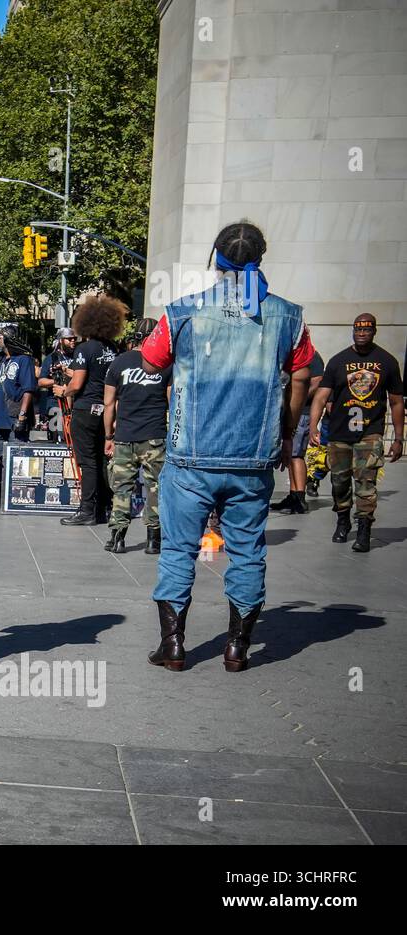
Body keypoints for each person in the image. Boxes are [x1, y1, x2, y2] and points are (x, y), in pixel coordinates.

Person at [141, 221, 314, 673]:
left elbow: (151, 359)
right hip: (252, 458)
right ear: (260, 259)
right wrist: (284, 432)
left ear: (216, 261)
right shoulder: (289, 316)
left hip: (190, 457)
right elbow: (301, 377)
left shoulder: (181, 313)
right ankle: (238, 647)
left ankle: (174, 646)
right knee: (248, 551)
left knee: (179, 551)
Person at [309, 313, 404, 552]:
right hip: (340, 433)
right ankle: (343, 519)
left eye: (367, 330)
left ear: (374, 331)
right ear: (353, 331)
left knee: (366, 482)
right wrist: (313, 426)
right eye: (358, 329)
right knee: (339, 482)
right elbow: (321, 395)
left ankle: (364, 528)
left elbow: (395, 402)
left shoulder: (387, 361)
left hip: (370, 433)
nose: (362, 333)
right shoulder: (338, 361)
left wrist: (399, 438)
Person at [55, 295, 125, 525]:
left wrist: (63, 391)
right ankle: (104, 508)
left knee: (87, 462)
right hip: (106, 410)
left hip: (85, 410)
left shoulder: (85, 348)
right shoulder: (114, 349)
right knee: (102, 460)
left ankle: (87, 511)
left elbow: (77, 384)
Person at [102, 317, 169, 554]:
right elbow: (172, 400)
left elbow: (109, 403)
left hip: (124, 436)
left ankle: (118, 538)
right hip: (155, 436)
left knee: (121, 488)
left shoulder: (119, 363)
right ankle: (154, 540)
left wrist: (108, 436)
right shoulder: (165, 363)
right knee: (155, 488)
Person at [270, 350, 326, 515]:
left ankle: (299, 498)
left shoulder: (311, 355)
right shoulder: (290, 353)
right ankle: (293, 495)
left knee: (296, 455)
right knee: (291, 454)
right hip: (290, 412)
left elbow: (317, 381)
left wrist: (296, 398)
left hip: (302, 412)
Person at [0, 325, 37, 442]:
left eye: (0, 337)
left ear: (9, 339)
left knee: (16, 456)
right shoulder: (2, 360)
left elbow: (28, 390)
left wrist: (22, 415)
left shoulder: (24, 359)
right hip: (0, 418)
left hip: (15, 418)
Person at [37, 327, 78, 442]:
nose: (73, 341)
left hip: (76, 403)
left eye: (74, 339)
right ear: (61, 340)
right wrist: (57, 380)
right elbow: (41, 382)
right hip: (56, 403)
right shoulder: (52, 358)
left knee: (73, 438)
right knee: (56, 438)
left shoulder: (79, 357)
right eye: (69, 339)